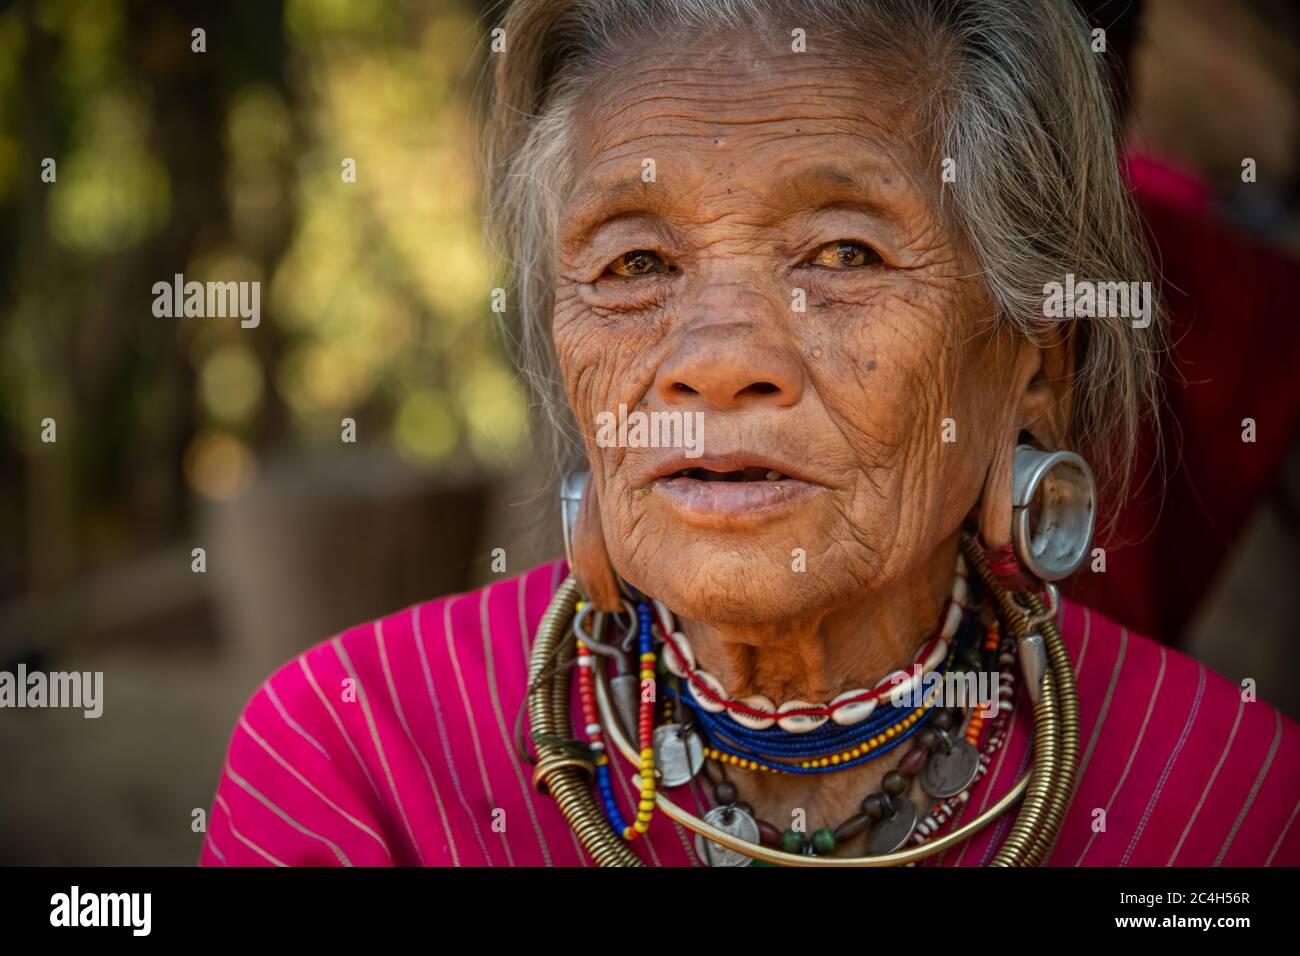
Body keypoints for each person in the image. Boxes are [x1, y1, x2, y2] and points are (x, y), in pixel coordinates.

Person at [200, 0, 1298, 867]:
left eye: (843, 254)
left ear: (1034, 360)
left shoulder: (1231, 801)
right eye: (634, 264)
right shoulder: (359, 759)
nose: (717, 359)